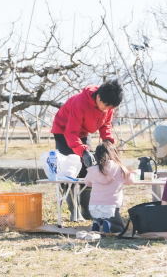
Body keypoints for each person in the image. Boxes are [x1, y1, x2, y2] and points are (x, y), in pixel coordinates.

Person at [51, 80, 123, 221]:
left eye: (111, 107)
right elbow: (71, 132)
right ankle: (74, 210)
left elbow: (105, 126)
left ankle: (86, 209)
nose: (107, 109)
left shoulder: (108, 106)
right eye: (106, 105)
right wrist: (82, 151)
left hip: (83, 133)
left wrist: (108, 142)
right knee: (70, 171)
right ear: (98, 97)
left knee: (89, 168)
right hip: (64, 131)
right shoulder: (80, 103)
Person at [82, 142, 136, 234]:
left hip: (94, 207)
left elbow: (87, 182)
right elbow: (131, 181)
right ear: (114, 154)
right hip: (112, 207)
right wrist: (133, 173)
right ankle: (109, 225)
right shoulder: (120, 168)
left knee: (99, 216)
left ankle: (97, 223)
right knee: (119, 228)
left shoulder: (93, 169)